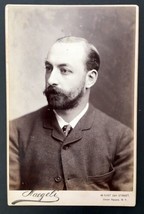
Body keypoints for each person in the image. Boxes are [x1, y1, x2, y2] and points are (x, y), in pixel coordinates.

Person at [9, 36, 133, 191]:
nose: (51, 80)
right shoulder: (15, 131)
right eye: (48, 68)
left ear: (90, 78)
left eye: (64, 70)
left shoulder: (122, 138)